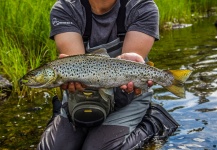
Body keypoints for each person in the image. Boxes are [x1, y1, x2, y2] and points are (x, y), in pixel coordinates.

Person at [37, 0, 179, 149]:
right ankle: (62, 113)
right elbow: (77, 66)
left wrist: (133, 60)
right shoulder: (65, 8)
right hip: (82, 96)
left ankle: (153, 122)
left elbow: (132, 71)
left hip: (126, 98)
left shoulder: (142, 6)